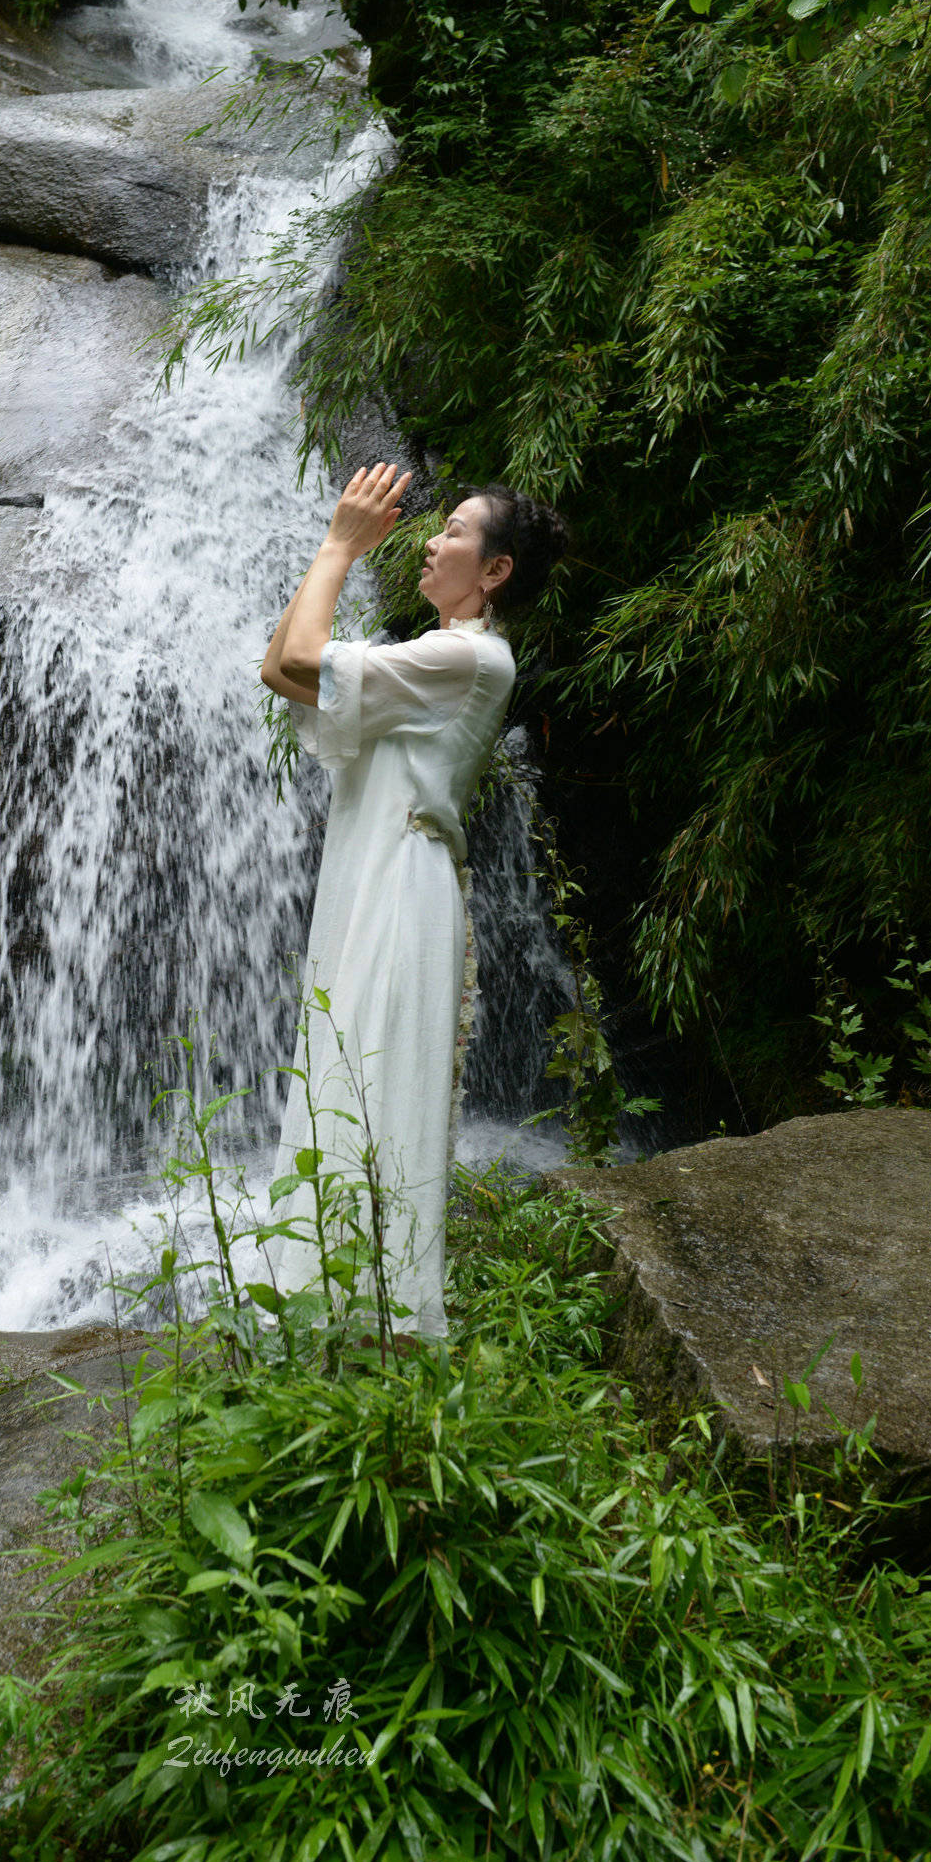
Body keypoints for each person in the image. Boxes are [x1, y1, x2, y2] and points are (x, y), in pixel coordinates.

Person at [258, 462, 568, 1339]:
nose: (431, 541)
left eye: (455, 532)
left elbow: (304, 657)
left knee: (371, 1078)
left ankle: (375, 1329)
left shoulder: (468, 657)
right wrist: (331, 555)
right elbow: (282, 671)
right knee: (343, 1074)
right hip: (372, 877)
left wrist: (337, 547)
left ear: (496, 570)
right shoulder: (435, 658)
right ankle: (333, 1319)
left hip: (400, 883)